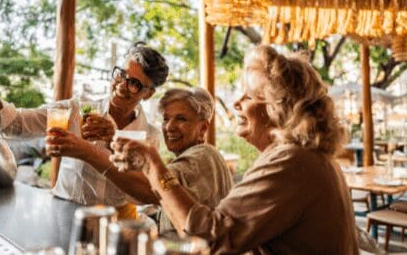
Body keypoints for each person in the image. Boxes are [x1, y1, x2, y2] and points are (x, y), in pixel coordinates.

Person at [112, 46, 359, 254]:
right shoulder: (304, 157)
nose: (235, 103)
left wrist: (153, 166)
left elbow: (210, 240)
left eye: (249, 96)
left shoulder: (293, 162)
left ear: (278, 107)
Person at [0, 40, 168, 217]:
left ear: (148, 93)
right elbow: (12, 124)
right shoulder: (76, 109)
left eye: (134, 84)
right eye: (121, 74)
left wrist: (113, 139)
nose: (121, 86)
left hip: (117, 223)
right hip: (66, 215)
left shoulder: (149, 136)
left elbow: (146, 194)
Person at [100, 87, 232, 236]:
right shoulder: (200, 156)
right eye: (166, 119)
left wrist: (86, 152)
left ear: (203, 128)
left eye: (181, 119)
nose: (169, 127)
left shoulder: (202, 156)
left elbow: (150, 189)